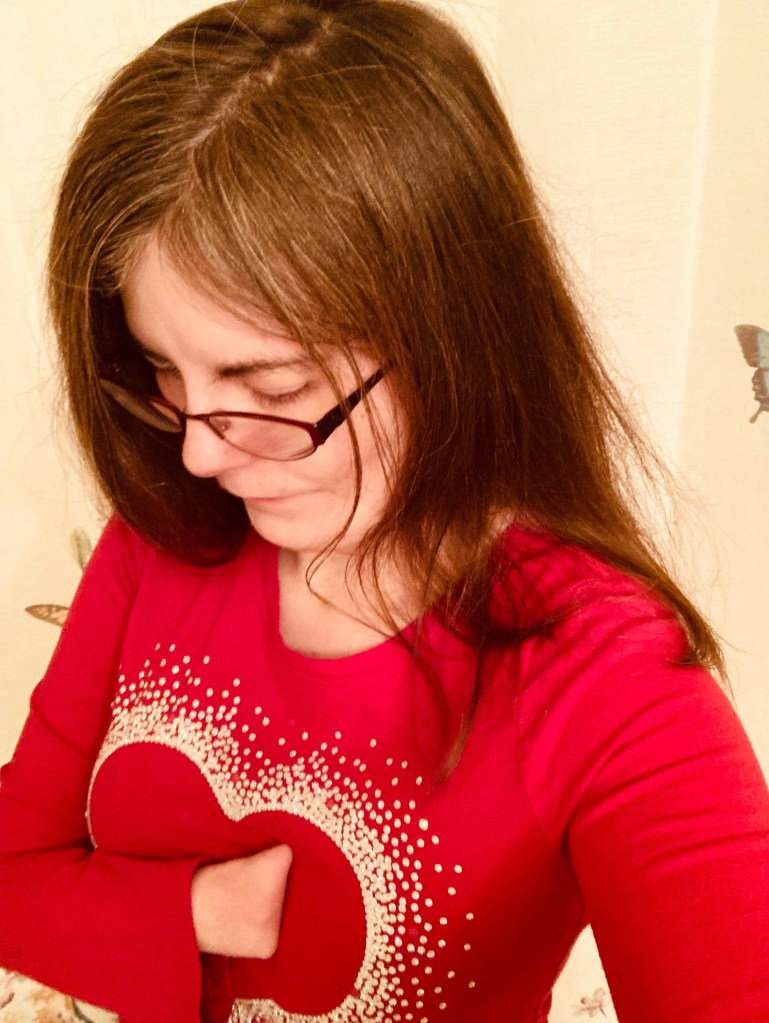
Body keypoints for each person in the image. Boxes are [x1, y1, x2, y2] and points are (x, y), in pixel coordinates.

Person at [1, 0, 768, 1021]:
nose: (197, 451)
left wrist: (106, 914)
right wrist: (203, 911)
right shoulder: (166, 537)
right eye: (164, 372)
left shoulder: (606, 680)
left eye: (271, 388)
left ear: (451, 335)